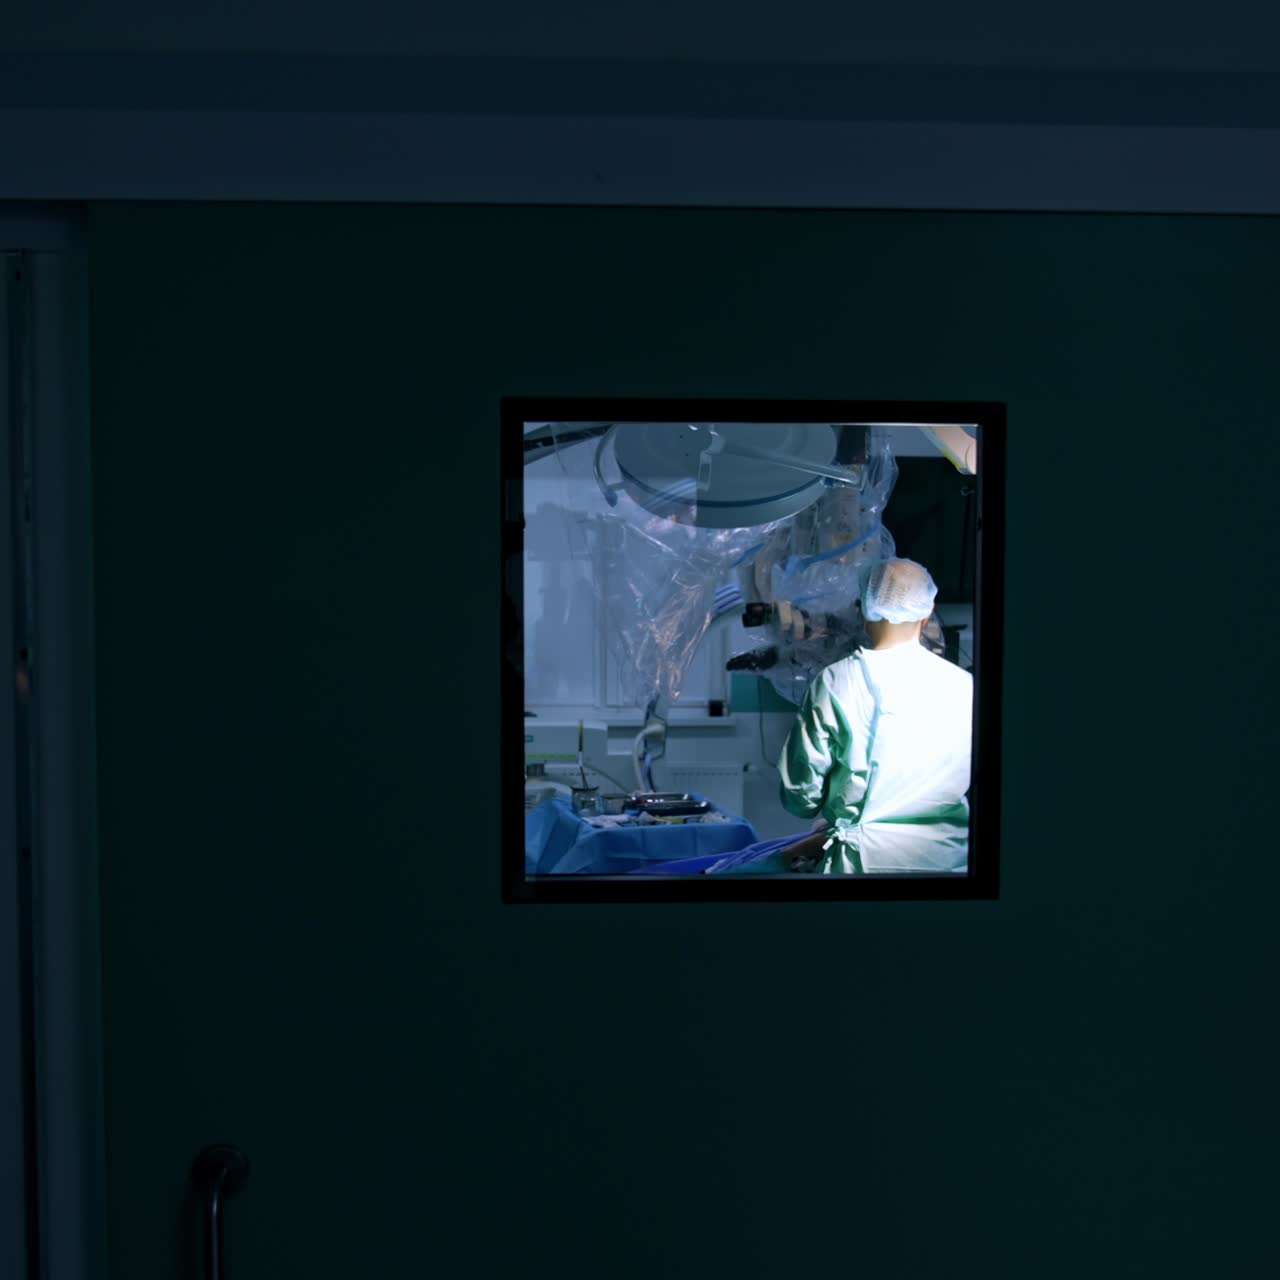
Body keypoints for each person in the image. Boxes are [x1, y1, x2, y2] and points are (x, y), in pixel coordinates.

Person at [777, 558, 973, 873]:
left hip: (865, 865)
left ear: (864, 609)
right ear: (927, 612)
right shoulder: (966, 687)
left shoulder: (837, 682)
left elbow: (800, 795)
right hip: (949, 866)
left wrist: (829, 813)